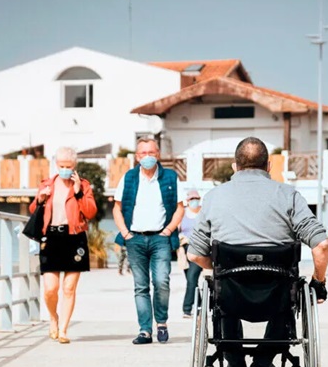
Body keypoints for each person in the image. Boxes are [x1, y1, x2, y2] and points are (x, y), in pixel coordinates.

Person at [187, 136, 328, 367]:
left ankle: (235, 363)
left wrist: (219, 268)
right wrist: (319, 281)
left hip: (231, 295)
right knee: (287, 293)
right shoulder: (289, 195)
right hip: (277, 296)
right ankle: (263, 364)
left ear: (235, 166)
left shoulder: (213, 198)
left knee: (222, 296)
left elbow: (195, 254)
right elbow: (322, 246)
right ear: (269, 167)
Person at [113, 137, 184, 345]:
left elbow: (180, 207)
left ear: (158, 154)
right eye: (143, 154)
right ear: (137, 156)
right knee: (141, 286)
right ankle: (145, 330)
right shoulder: (129, 178)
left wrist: (169, 229)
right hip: (135, 238)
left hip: (160, 238)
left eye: (151, 153)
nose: (147, 157)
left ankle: (161, 323)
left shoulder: (170, 177)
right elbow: (117, 208)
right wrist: (126, 233)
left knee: (162, 281)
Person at [30, 147, 97, 344]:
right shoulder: (47, 184)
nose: (65, 169)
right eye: (61, 166)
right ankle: (53, 318)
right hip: (51, 238)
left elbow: (91, 212)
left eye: (69, 166)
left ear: (74, 166)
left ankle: (64, 329)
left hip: (74, 238)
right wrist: (41, 199)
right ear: (56, 165)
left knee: (69, 288)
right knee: (51, 288)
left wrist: (78, 193)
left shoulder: (83, 186)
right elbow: (33, 210)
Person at [179, 188, 203, 319]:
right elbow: (177, 229)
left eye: (196, 199)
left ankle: (187, 308)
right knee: (191, 281)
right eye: (191, 199)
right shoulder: (182, 213)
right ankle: (200, 305)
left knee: (191, 278)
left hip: (198, 249)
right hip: (184, 250)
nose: (194, 201)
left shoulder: (203, 212)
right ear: (187, 201)